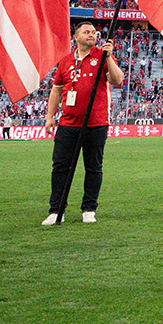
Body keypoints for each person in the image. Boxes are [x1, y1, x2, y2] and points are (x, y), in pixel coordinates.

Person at [41, 22, 124, 226]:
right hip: (68, 123)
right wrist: (50, 116)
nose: (92, 35)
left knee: (93, 167)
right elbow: (56, 90)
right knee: (60, 167)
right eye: (86, 32)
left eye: (94, 32)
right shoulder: (66, 61)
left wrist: (109, 58)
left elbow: (118, 80)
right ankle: (56, 210)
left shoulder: (102, 55)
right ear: (76, 37)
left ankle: (89, 208)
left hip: (96, 123)